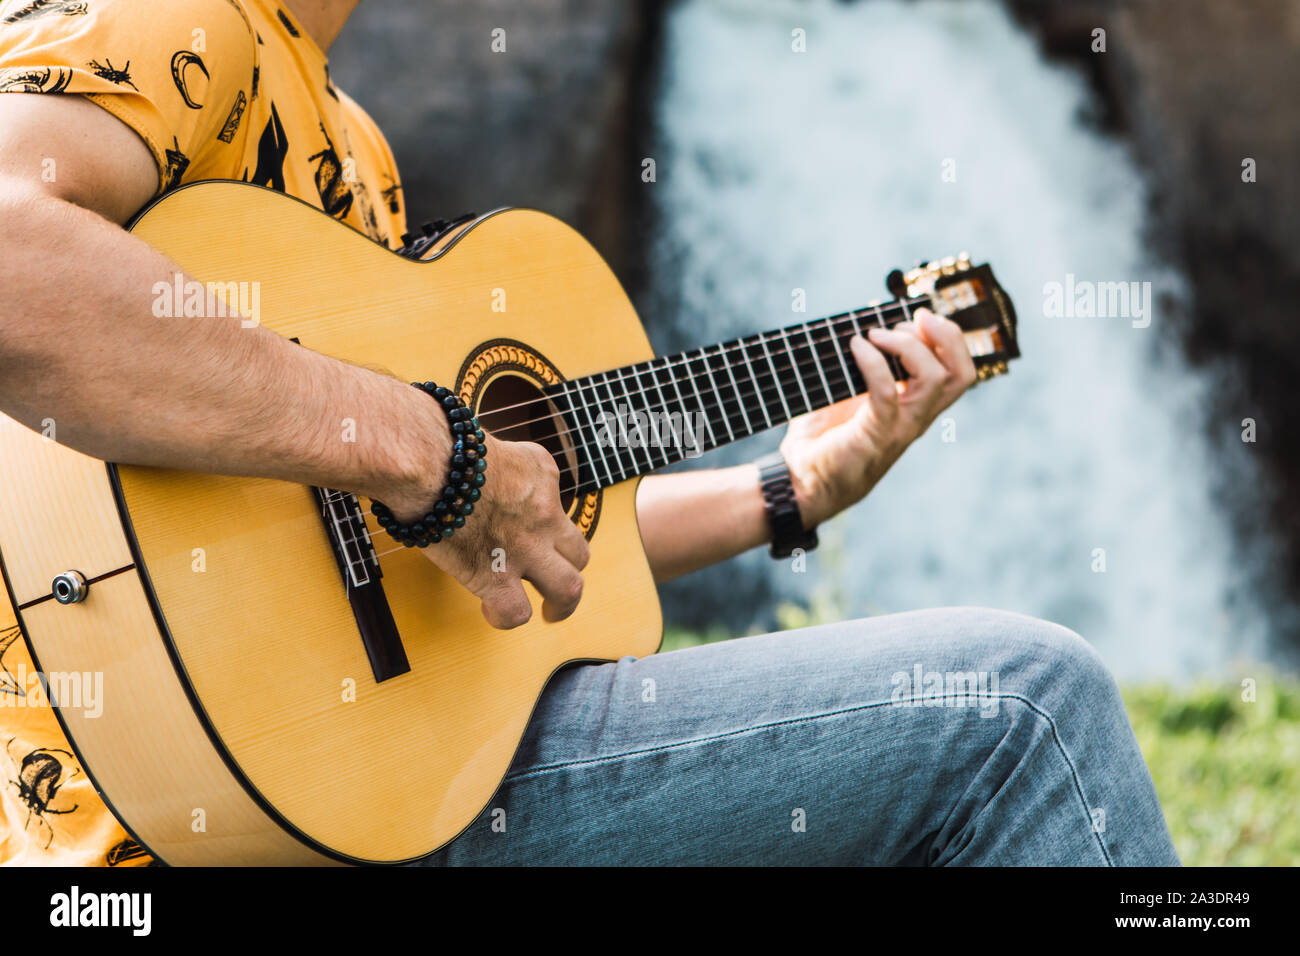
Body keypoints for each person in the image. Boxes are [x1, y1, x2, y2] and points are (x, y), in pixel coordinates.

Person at [0, 0, 1179, 866]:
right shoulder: (179, 17)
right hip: (152, 829)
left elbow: (482, 544)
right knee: (1024, 708)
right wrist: (431, 453)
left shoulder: (344, 132)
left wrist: (794, 485)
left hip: (360, 784)